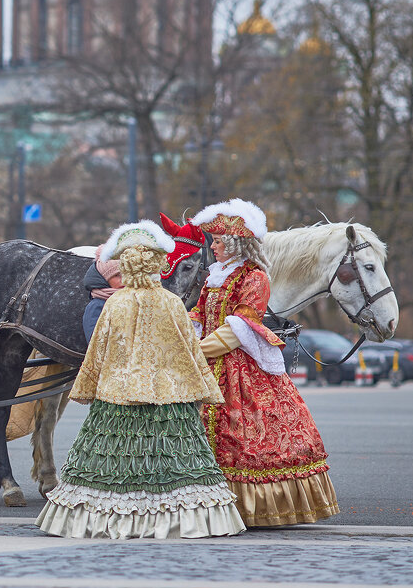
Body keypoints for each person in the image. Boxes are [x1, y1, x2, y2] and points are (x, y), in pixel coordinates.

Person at [37, 220, 245, 539]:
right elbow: (188, 351)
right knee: (173, 457)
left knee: (113, 458)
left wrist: (88, 388)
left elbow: (97, 353)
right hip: (168, 396)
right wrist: (203, 388)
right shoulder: (172, 304)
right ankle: (181, 518)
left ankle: (110, 517)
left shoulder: (114, 304)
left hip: (118, 395)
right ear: (157, 267)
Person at [189, 198, 339, 527]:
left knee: (251, 434)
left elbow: (239, 328)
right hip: (207, 361)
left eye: (217, 241)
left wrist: (195, 351)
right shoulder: (214, 276)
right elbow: (199, 315)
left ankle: (249, 507)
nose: (212, 247)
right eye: (212, 241)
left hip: (240, 366)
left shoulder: (255, 278)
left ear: (235, 244)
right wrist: (186, 333)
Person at [80, 244, 122, 344]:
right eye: (116, 275)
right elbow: (95, 344)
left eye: (126, 274)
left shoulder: (132, 299)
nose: (123, 280)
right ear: (105, 279)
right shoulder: (97, 306)